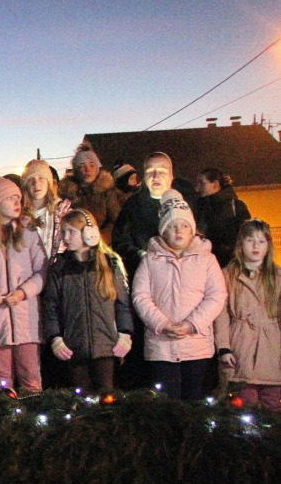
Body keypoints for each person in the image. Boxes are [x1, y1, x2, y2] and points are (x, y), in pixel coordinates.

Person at [131, 190, 227, 401]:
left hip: (196, 347)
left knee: (195, 403)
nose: (179, 231)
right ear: (163, 230)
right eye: (173, 226)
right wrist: (162, 323)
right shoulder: (150, 260)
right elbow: (140, 296)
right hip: (161, 347)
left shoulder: (207, 259)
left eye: (184, 226)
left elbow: (216, 295)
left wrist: (191, 324)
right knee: (167, 405)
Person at [42, 210, 133, 394]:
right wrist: (56, 339)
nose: (66, 237)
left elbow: (121, 303)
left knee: (107, 395)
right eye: (63, 232)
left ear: (88, 233)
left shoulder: (110, 264)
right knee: (80, 395)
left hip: (107, 346)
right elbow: (50, 307)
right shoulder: (60, 268)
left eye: (71, 232)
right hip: (74, 346)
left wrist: (125, 334)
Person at [0, 176, 47, 391]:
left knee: (30, 375)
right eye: (11, 198)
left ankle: (34, 416)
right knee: (2, 379)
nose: (17, 203)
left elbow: (42, 271)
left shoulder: (29, 233)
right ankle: (6, 417)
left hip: (25, 317)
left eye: (18, 199)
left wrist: (23, 293)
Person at [214, 220, 281, 409]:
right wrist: (224, 347)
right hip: (240, 346)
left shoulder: (277, 277)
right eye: (250, 240)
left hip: (272, 349)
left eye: (261, 241)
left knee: (273, 405)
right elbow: (221, 314)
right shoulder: (228, 275)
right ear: (241, 244)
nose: (256, 246)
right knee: (243, 404)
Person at [113, 152, 195, 279]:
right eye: (150, 171)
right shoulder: (132, 206)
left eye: (162, 171)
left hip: (184, 277)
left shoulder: (187, 203)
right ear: (144, 175)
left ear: (171, 176)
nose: (156, 176)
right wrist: (142, 256)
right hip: (145, 278)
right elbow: (120, 241)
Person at [57, 145, 123, 245]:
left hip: (102, 245)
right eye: (82, 166)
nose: (87, 170)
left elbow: (116, 220)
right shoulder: (66, 194)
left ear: (97, 168)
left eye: (92, 165)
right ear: (75, 170)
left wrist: (100, 238)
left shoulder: (107, 192)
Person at [194, 167, 251, 267]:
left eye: (202, 183)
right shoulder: (199, 208)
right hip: (205, 265)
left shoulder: (236, 207)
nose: (197, 188)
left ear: (215, 184)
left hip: (231, 266)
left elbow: (247, 236)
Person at [21, 159, 70, 262]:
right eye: (30, 179)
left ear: (49, 183)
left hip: (57, 274)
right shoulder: (20, 217)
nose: (36, 183)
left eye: (41, 178)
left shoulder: (64, 213)